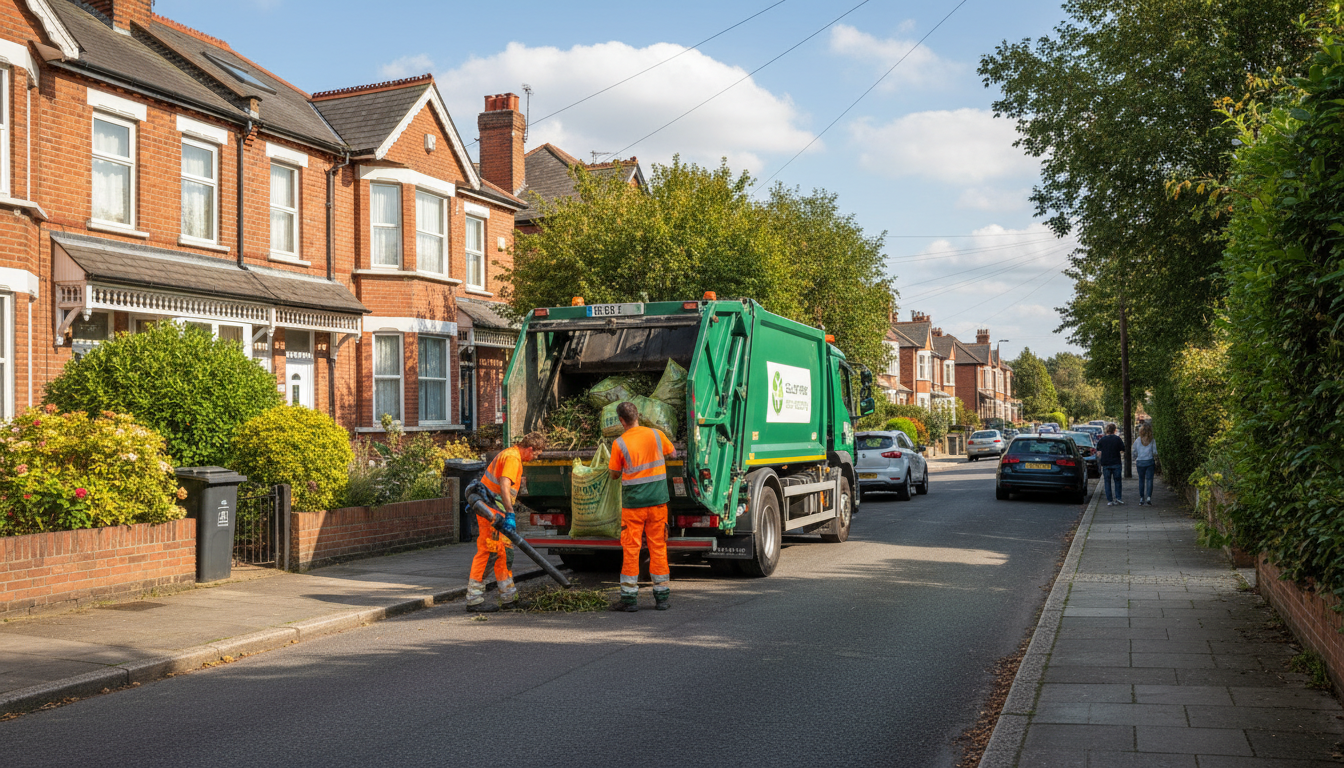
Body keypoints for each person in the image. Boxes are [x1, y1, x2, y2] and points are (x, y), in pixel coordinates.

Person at [465, 431, 547, 613]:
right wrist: (510, 512)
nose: (535, 458)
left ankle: (508, 597)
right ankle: (474, 599)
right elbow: (504, 484)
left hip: (494, 509)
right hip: (491, 511)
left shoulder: (510, 454)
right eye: (536, 454)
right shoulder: (513, 458)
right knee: (489, 551)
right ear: (530, 449)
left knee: (504, 553)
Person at [608, 401, 676, 612]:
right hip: (657, 503)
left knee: (631, 549)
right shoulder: (656, 435)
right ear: (638, 415)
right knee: (658, 548)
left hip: (634, 506)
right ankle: (662, 598)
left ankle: (629, 600)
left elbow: (614, 474)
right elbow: (672, 454)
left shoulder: (619, 443)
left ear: (621, 421)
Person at [1095, 423, 1126, 506]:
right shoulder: (1117, 439)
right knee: (1118, 481)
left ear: (1107, 430)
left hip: (1106, 463)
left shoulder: (1102, 440)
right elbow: (1123, 449)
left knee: (1107, 482)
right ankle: (1118, 498)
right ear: (1115, 430)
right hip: (1116, 462)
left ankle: (1110, 500)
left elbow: (1098, 452)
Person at [1133, 423, 1158, 506]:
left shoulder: (1137, 440)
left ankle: (1141, 498)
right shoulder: (1152, 440)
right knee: (1150, 479)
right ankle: (1149, 497)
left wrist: (1136, 457)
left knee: (1141, 480)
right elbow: (1155, 452)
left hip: (1140, 462)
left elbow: (1134, 451)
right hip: (1149, 461)